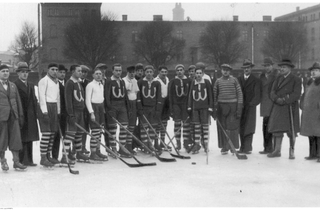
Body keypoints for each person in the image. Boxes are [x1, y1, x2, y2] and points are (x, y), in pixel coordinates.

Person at [267, 59, 301, 159]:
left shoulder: (296, 79)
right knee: (277, 129)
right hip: (278, 106)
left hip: (290, 107)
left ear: (290, 68)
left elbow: (296, 94)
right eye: (280, 67)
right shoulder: (278, 79)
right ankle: (277, 150)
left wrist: (285, 100)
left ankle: (292, 151)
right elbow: (272, 92)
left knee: (291, 130)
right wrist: (276, 99)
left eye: (284, 67)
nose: (281, 69)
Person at [61, 65, 90, 164]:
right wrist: (70, 114)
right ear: (73, 71)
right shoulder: (70, 83)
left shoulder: (79, 83)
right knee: (70, 134)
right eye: (78, 71)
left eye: (81, 71)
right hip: (73, 112)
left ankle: (78, 153)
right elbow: (68, 100)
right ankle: (64, 156)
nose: (81, 73)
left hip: (80, 112)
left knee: (79, 133)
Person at [0, 64, 27, 171]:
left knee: (16, 139)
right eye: (3, 71)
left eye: (7, 71)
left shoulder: (12, 85)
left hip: (13, 116)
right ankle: (3, 162)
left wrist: (20, 115)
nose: (5, 73)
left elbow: (18, 101)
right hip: (1, 117)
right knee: (2, 140)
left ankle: (16, 162)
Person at [213, 64, 243, 155]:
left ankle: (233, 147)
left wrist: (239, 108)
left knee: (232, 127)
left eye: (227, 70)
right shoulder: (218, 81)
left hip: (232, 106)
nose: (225, 71)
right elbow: (214, 95)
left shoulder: (234, 80)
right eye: (223, 70)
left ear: (230, 71)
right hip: (221, 107)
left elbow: (239, 94)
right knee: (222, 127)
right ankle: (224, 147)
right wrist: (214, 108)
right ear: (221, 71)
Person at [14, 62, 39, 166]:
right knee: (22, 137)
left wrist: (36, 113)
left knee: (30, 137)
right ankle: (21, 160)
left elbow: (34, 99)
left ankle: (29, 160)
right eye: (22, 72)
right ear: (18, 73)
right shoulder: (15, 85)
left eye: (26, 72)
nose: (25, 74)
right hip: (21, 114)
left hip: (31, 114)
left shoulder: (31, 85)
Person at [105, 63, 130, 158]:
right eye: (116, 70)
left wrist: (127, 107)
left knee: (124, 127)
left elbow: (125, 95)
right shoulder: (109, 81)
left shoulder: (122, 81)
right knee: (113, 129)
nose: (118, 72)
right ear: (113, 71)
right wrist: (109, 107)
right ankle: (113, 148)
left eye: (120, 70)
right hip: (113, 106)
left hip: (122, 106)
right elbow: (107, 95)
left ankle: (122, 148)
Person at [38, 63, 61, 167]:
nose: (55, 71)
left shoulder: (56, 82)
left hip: (54, 107)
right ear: (48, 70)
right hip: (46, 107)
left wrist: (58, 111)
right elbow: (41, 96)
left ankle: (48, 156)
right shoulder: (43, 81)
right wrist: (44, 111)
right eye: (52, 69)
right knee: (46, 133)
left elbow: (58, 98)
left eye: (56, 69)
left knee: (52, 133)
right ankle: (43, 157)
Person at [187, 66, 213, 154]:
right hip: (195, 108)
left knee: (205, 127)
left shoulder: (206, 82)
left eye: (200, 73)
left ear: (202, 74)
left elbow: (210, 95)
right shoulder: (193, 83)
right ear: (194, 74)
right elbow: (190, 95)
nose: (198, 75)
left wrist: (210, 106)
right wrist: (189, 106)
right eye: (196, 73)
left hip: (205, 108)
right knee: (196, 127)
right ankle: (197, 144)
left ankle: (206, 145)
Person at [238, 59, 261, 154]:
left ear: (251, 69)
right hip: (240, 106)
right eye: (245, 68)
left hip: (250, 107)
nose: (246, 69)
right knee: (241, 126)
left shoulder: (256, 80)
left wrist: (252, 104)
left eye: (248, 68)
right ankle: (242, 146)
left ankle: (247, 147)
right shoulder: (238, 79)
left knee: (249, 127)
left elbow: (257, 95)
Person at [137, 65, 162, 153]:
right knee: (144, 126)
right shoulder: (140, 82)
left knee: (152, 126)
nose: (149, 74)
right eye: (147, 72)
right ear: (144, 73)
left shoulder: (157, 83)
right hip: (144, 108)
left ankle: (150, 144)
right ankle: (144, 145)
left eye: (150, 72)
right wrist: (139, 108)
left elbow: (159, 96)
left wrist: (158, 109)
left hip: (153, 108)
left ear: (153, 73)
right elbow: (138, 96)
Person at [169, 64, 192, 151]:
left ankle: (186, 143)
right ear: (176, 72)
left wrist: (190, 106)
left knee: (186, 124)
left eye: (181, 70)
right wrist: (171, 108)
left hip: (186, 105)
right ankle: (178, 143)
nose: (179, 72)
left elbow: (190, 94)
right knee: (177, 124)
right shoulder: (173, 81)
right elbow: (170, 95)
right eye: (178, 70)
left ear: (184, 71)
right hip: (176, 105)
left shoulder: (189, 81)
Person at [300, 62, 320, 162]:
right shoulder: (309, 82)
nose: (313, 72)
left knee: (318, 134)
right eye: (312, 70)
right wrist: (302, 104)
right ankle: (312, 154)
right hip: (309, 113)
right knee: (311, 134)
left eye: (316, 70)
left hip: (317, 112)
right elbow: (305, 95)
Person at [85, 67, 107, 161]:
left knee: (100, 132)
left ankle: (98, 151)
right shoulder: (90, 85)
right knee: (95, 131)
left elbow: (102, 98)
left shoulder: (101, 84)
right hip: (94, 108)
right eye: (97, 74)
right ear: (93, 75)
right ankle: (93, 153)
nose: (99, 75)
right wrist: (91, 112)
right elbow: (87, 100)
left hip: (101, 108)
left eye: (100, 74)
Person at [259, 57, 279, 154]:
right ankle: (266, 148)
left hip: (274, 104)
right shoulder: (262, 76)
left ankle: (274, 149)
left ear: (272, 65)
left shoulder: (277, 76)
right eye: (265, 66)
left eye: (268, 65)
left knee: (273, 127)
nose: (267, 68)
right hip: (265, 104)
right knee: (265, 126)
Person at [122, 65, 139, 155]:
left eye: (133, 72)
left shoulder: (135, 80)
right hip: (127, 105)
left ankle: (129, 145)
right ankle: (123, 146)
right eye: (130, 72)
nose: (132, 74)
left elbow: (136, 92)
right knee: (126, 127)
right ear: (127, 72)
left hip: (134, 104)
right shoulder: (123, 81)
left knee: (132, 126)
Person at [52, 64, 67, 161]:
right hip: (57, 112)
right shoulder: (55, 84)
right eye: (60, 72)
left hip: (66, 114)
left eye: (64, 72)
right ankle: (54, 156)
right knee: (56, 135)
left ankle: (65, 155)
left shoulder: (67, 83)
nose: (62, 74)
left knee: (66, 135)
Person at [154, 65, 170, 151]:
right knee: (158, 124)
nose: (164, 74)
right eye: (162, 72)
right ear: (158, 72)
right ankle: (156, 143)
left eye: (165, 72)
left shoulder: (167, 80)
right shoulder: (156, 80)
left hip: (166, 103)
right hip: (159, 103)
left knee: (164, 124)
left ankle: (162, 142)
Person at [79, 65, 91, 155]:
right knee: (77, 129)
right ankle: (75, 148)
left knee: (85, 129)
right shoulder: (75, 82)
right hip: (78, 109)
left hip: (87, 109)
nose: (83, 74)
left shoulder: (89, 83)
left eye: (85, 72)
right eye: (82, 72)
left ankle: (83, 146)